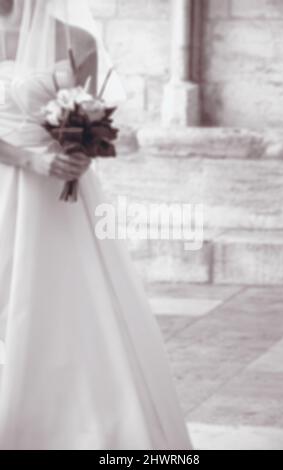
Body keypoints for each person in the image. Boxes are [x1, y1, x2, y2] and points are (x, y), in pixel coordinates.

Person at [0, 0, 192, 450]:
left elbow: (89, 120)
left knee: (65, 302)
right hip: (10, 174)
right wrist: (31, 159)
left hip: (60, 195)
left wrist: (80, 150)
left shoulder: (78, 41)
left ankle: (70, 423)